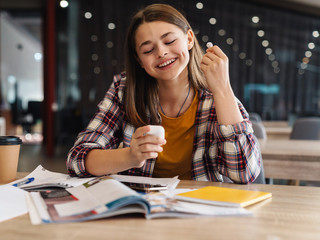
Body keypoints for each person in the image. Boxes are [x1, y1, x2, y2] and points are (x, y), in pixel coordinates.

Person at [67, 3, 261, 183]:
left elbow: (245, 172)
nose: (161, 52)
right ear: (139, 60)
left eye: (169, 41)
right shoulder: (125, 90)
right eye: (148, 50)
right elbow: (77, 159)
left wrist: (222, 89)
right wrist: (130, 156)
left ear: (189, 39)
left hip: (200, 209)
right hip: (140, 208)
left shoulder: (214, 96)